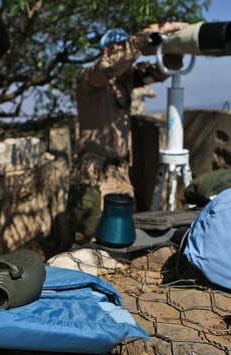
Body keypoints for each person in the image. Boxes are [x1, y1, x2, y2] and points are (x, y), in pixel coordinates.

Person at [68, 23, 188, 243]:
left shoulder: (126, 80)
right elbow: (107, 68)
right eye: (119, 48)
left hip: (120, 170)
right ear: (107, 51)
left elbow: (161, 71)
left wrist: (175, 43)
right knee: (92, 234)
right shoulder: (89, 79)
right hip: (95, 171)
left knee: (122, 233)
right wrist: (139, 42)